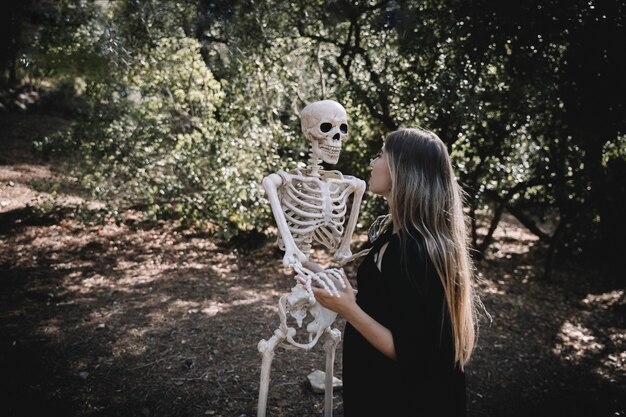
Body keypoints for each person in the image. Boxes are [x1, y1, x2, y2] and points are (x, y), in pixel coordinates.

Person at [304, 127, 483, 416]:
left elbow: (410, 350)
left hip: (402, 399)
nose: (372, 163)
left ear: (403, 170)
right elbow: (393, 305)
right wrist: (321, 274)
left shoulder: (417, 252)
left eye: (381, 155)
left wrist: (349, 310)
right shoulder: (392, 236)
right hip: (378, 386)